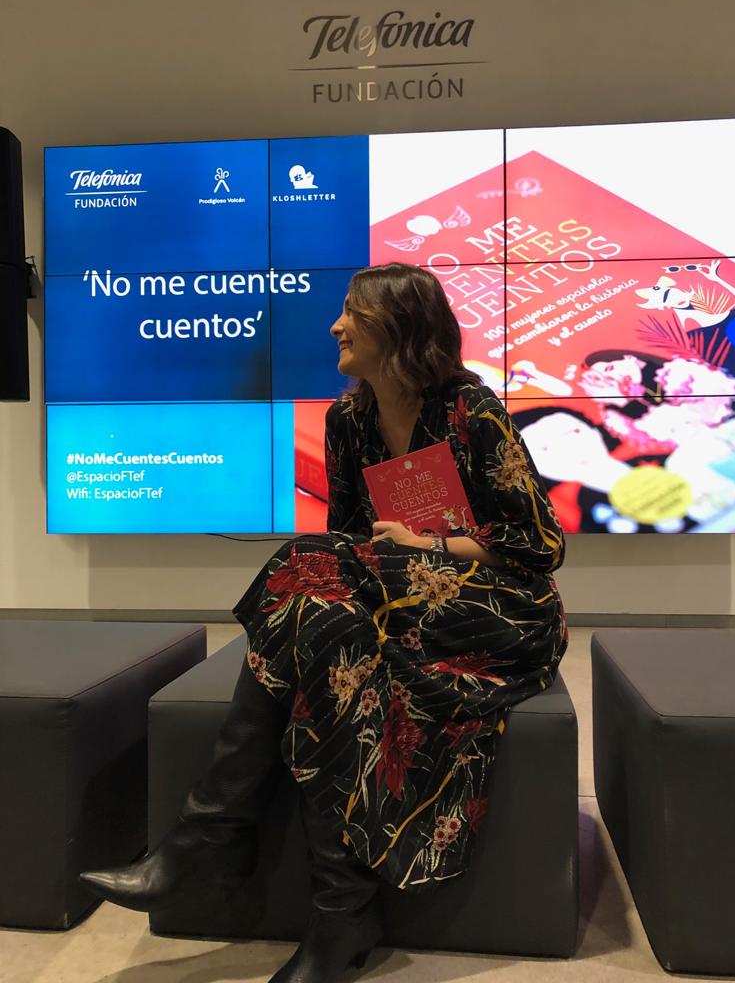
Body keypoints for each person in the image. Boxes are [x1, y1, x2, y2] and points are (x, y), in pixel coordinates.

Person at [80, 262, 568, 982]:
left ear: (398, 326)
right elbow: (344, 545)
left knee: (308, 561)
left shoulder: (472, 411)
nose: (336, 326)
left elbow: (541, 547)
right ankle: (340, 918)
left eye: (352, 313)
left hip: (496, 611)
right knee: (322, 612)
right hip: (392, 601)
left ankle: (211, 833)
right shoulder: (348, 421)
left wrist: (424, 543)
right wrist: (384, 554)